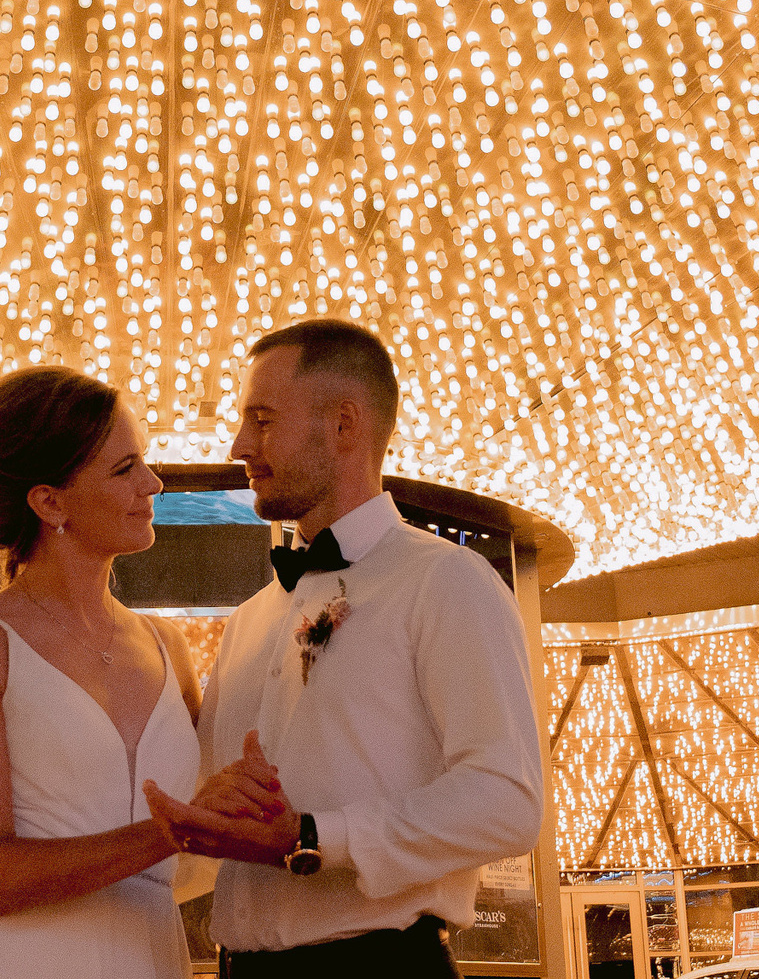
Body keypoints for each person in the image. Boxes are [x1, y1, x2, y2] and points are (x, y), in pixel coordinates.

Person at [144, 319, 546, 977]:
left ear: (345, 424)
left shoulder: (445, 580)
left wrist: (312, 838)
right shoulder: (250, 618)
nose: (240, 443)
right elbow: (205, 822)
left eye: (263, 419)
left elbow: (507, 801)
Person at [0, 365, 268, 977]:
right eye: (125, 469)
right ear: (49, 501)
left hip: (147, 955)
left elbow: (209, 837)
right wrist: (170, 833)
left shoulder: (167, 644)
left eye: (144, 464)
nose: (153, 484)